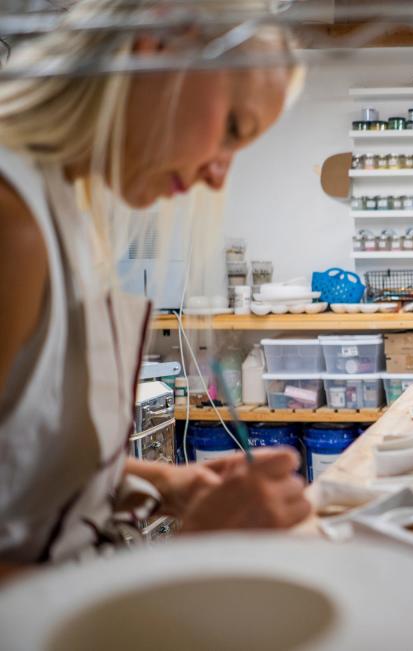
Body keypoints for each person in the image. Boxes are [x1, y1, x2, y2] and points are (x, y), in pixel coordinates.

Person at [0, 0, 311, 577]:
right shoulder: (11, 220)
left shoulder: (59, 204)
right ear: (159, 43)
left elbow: (22, 469)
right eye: (231, 130)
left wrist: (171, 482)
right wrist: (181, 560)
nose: (220, 175)